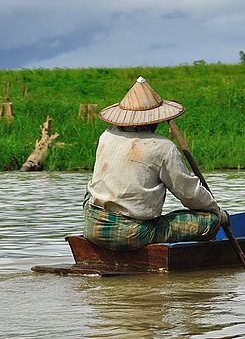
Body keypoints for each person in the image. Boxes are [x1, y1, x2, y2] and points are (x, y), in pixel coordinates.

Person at [84, 76, 228, 250]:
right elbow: (188, 193)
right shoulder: (163, 147)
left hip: (92, 224)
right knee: (209, 221)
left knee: (90, 192)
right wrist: (217, 212)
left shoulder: (107, 135)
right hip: (129, 233)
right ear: (156, 119)